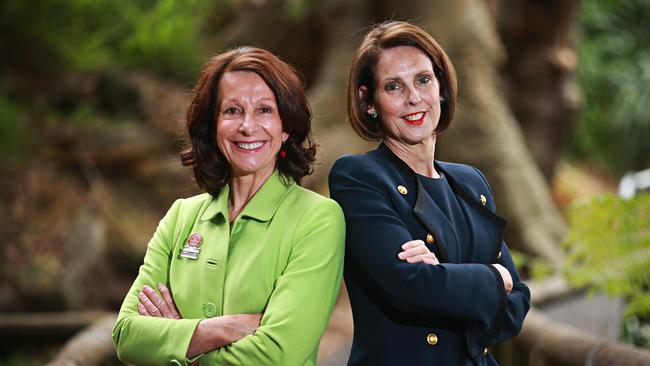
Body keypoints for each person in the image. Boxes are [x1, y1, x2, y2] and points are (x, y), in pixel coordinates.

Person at [112, 47, 345, 366]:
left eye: (264, 110)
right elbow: (126, 335)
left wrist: (180, 341)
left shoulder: (318, 218)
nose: (248, 127)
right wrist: (221, 330)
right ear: (213, 124)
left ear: (286, 125)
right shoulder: (181, 216)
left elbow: (279, 355)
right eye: (232, 111)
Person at [328, 21, 531, 365]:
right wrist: (496, 278)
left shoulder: (471, 183)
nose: (413, 98)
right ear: (369, 101)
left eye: (423, 80)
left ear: (441, 88)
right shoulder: (359, 177)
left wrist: (443, 278)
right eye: (393, 86)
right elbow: (411, 287)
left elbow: (516, 307)